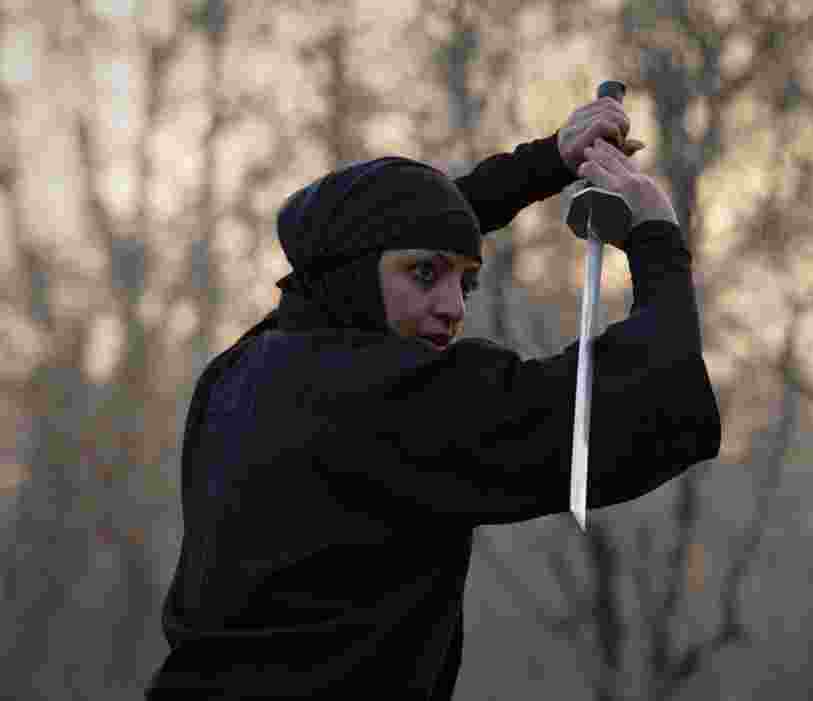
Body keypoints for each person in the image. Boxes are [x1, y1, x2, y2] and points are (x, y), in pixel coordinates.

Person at [145, 96, 720, 699]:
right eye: (427, 276)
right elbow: (643, 388)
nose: (455, 307)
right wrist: (657, 238)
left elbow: (378, 230)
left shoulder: (242, 370)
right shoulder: (387, 396)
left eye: (466, 281)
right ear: (355, 272)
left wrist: (546, 163)